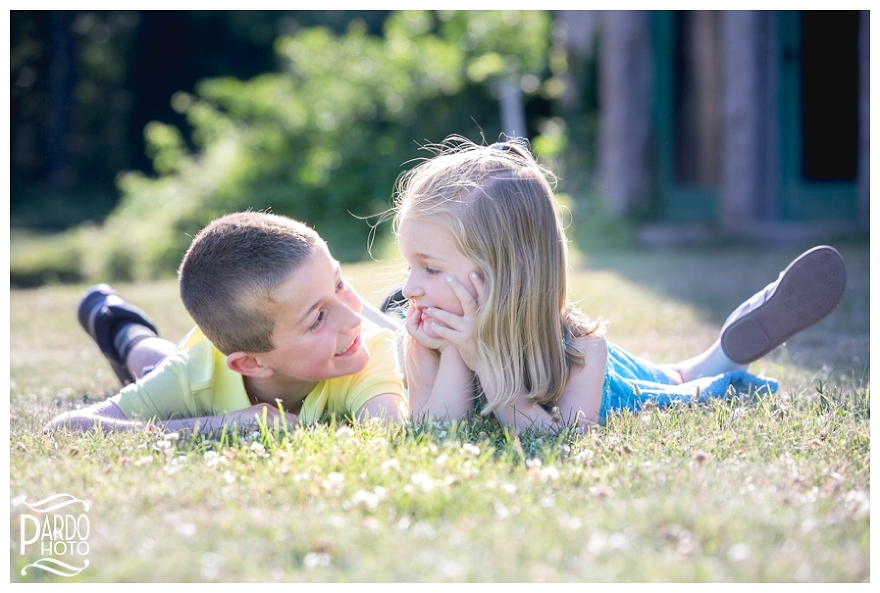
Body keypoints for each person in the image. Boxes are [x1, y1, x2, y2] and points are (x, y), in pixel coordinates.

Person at [388, 136, 847, 431]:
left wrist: (484, 359)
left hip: (615, 387)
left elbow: (557, 438)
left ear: (506, 273)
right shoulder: (424, 342)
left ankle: (725, 354)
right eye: (409, 265)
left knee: (682, 385)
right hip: (514, 348)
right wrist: (457, 353)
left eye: (429, 268)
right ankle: (719, 350)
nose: (409, 287)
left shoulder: (583, 349)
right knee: (683, 371)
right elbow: (436, 430)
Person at [45, 212, 406, 434]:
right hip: (200, 362)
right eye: (317, 319)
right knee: (159, 368)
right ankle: (118, 325)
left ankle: (126, 330)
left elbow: (389, 430)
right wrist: (220, 425)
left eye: (340, 285)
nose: (354, 317)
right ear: (250, 363)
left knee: (160, 365)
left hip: (219, 352)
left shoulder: (368, 347)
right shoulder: (193, 375)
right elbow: (63, 431)